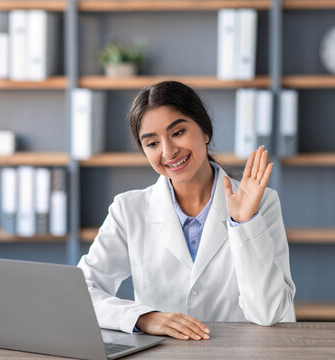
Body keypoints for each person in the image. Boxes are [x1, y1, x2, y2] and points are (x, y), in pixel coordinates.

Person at [78, 80, 295, 341]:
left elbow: (268, 313)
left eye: (178, 132)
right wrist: (145, 317)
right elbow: (82, 291)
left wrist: (243, 222)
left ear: (205, 130)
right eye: (152, 143)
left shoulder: (263, 203)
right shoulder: (128, 210)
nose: (168, 151)